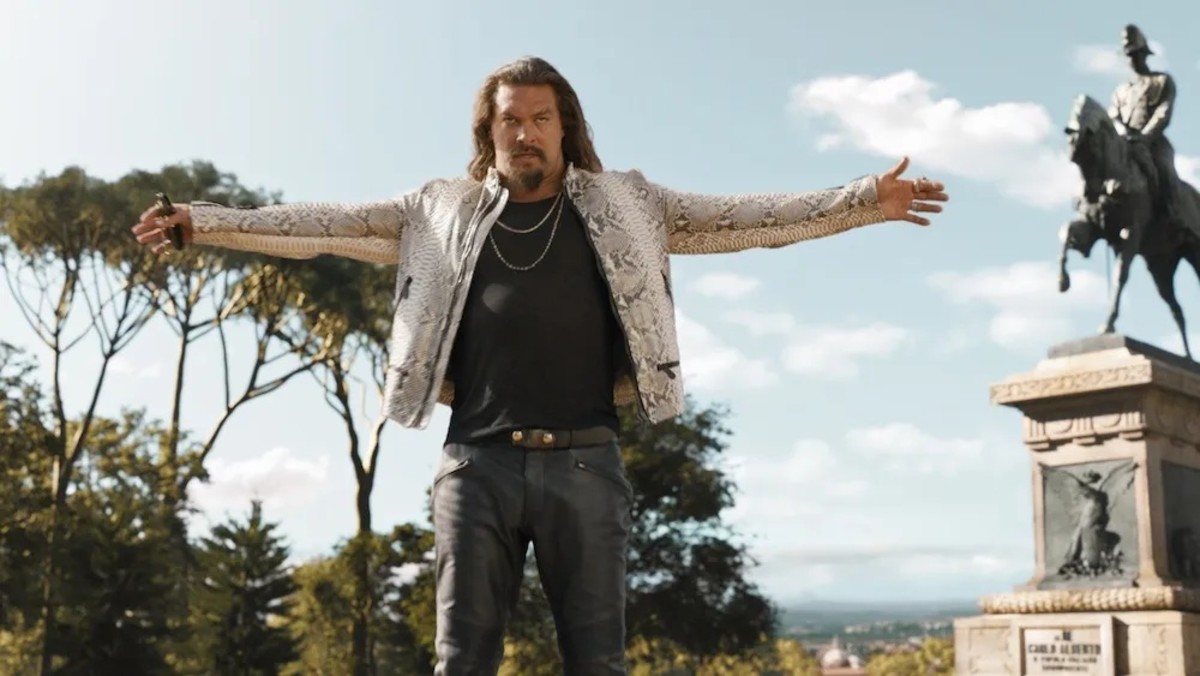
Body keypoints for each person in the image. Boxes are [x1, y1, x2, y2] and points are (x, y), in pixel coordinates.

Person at [132, 56, 948, 675]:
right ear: (488, 133)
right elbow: (315, 224)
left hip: (587, 464)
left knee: (598, 663)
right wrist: (200, 222)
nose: (524, 133)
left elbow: (745, 217)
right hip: (475, 466)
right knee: (462, 662)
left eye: (540, 118)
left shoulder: (629, 203)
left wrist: (860, 201)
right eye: (509, 120)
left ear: (564, 127)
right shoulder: (435, 212)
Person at [1108, 24, 1179, 221]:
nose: (1132, 59)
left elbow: (1163, 113)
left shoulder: (1161, 81)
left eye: (1135, 54)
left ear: (1144, 55)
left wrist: (1144, 137)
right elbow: (1113, 115)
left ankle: (1170, 215)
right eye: (1128, 55)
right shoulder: (1121, 91)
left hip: (1153, 143)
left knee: (1164, 171)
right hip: (1123, 144)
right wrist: (1122, 132)